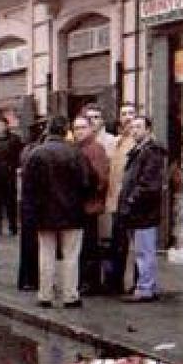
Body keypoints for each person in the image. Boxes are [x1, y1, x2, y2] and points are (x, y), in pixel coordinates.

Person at [22, 116, 96, 309]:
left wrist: (30, 213)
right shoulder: (76, 153)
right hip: (72, 213)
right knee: (71, 255)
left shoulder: (36, 154)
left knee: (46, 253)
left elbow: (28, 188)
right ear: (66, 131)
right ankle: (70, 295)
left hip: (43, 214)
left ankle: (45, 294)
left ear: (48, 130)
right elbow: (88, 182)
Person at [117, 115, 168, 302]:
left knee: (144, 251)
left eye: (139, 127)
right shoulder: (139, 150)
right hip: (138, 210)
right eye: (132, 127)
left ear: (148, 129)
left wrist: (131, 200)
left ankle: (146, 288)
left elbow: (148, 183)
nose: (134, 130)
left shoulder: (151, 152)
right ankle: (148, 286)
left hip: (144, 210)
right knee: (142, 250)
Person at [72, 110, 110, 295]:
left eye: (82, 127)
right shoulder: (76, 148)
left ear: (90, 129)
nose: (79, 131)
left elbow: (101, 179)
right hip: (79, 206)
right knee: (82, 247)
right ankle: (84, 281)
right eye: (76, 128)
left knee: (89, 247)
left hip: (89, 205)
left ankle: (90, 282)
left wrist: (86, 191)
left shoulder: (95, 149)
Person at [102, 102, 138, 294]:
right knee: (118, 245)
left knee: (137, 247)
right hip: (116, 201)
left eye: (131, 113)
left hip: (132, 202)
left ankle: (138, 285)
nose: (128, 117)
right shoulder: (117, 142)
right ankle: (116, 283)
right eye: (124, 114)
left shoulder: (140, 143)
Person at [16, 118, 47, 291]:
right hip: (36, 202)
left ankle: (26, 278)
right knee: (35, 243)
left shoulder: (26, 150)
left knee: (28, 242)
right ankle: (32, 278)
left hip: (26, 201)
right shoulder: (36, 152)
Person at [0, 113, 23, 237]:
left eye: (2, 125)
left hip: (9, 174)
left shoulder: (15, 139)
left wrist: (17, 168)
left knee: (10, 202)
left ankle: (13, 226)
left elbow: (19, 156)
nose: (0, 127)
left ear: (7, 126)